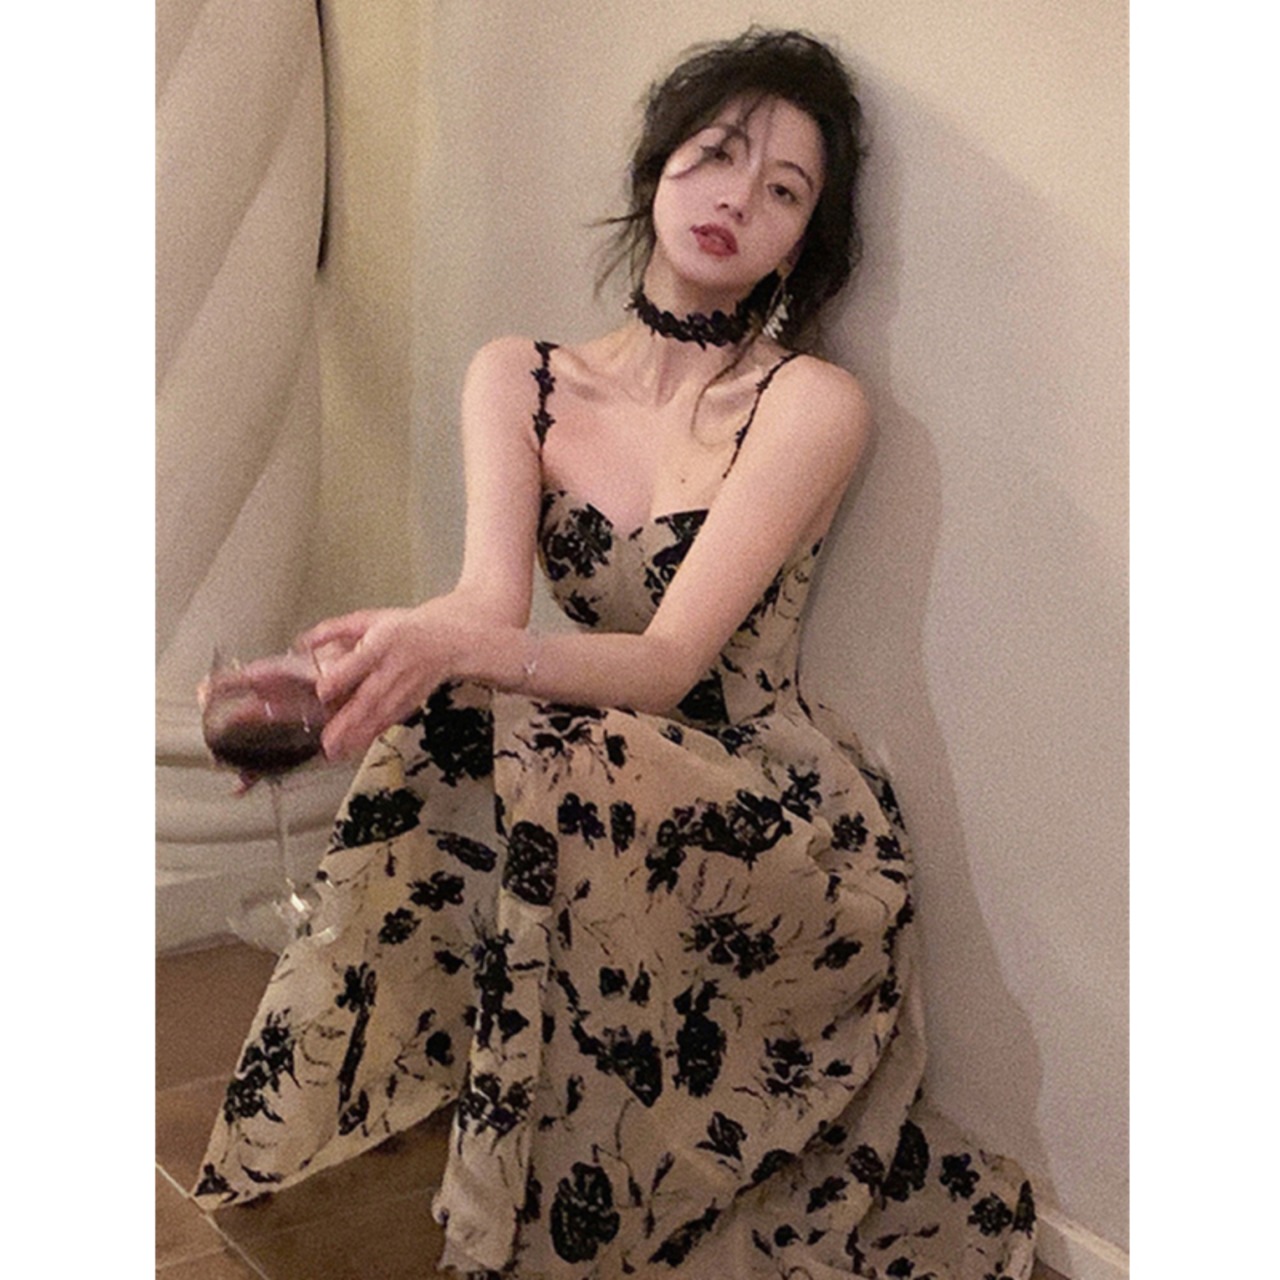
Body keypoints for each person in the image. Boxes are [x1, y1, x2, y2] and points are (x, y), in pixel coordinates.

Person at [194, 28, 1036, 1280]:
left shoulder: (810, 402)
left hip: (765, 803)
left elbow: (670, 664)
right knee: (463, 723)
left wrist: (446, 652)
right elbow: (485, 600)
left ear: (801, 243)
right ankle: (458, 1129)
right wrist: (354, 676)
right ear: (658, 163)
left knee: (539, 742)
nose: (736, 198)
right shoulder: (520, 377)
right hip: (590, 762)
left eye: (783, 190)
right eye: (717, 153)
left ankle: (541, 1209)